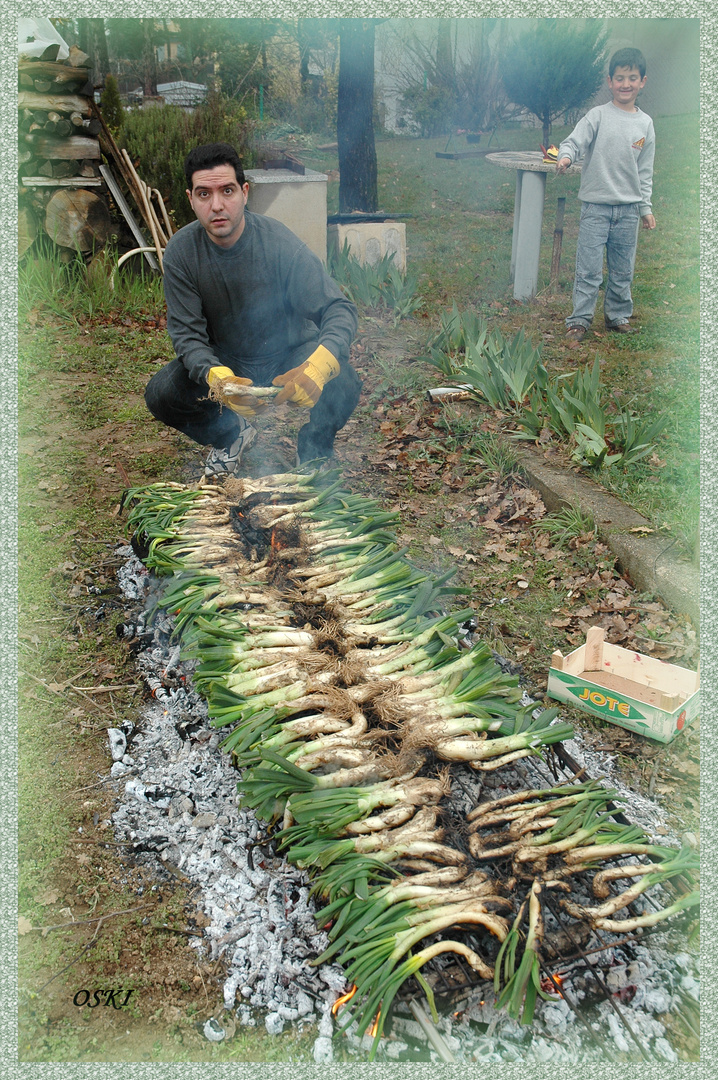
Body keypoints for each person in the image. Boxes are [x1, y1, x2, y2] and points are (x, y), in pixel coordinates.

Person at [145, 142, 361, 477]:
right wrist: (216, 378)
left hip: (288, 354)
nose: (217, 205)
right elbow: (187, 337)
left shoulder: (279, 242)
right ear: (191, 199)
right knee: (162, 394)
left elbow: (339, 309)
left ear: (244, 192)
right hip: (226, 360)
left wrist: (318, 366)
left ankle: (314, 452)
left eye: (227, 191)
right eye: (204, 194)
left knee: (343, 379)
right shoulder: (181, 253)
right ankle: (232, 435)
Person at [556, 47, 656, 342]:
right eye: (620, 78)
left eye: (632, 78)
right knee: (588, 270)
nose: (626, 84)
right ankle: (579, 320)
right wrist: (565, 157)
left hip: (627, 211)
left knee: (622, 269)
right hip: (595, 208)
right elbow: (574, 141)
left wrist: (645, 208)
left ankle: (618, 316)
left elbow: (645, 173)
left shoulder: (645, 124)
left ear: (643, 82)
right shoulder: (597, 116)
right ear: (610, 81)